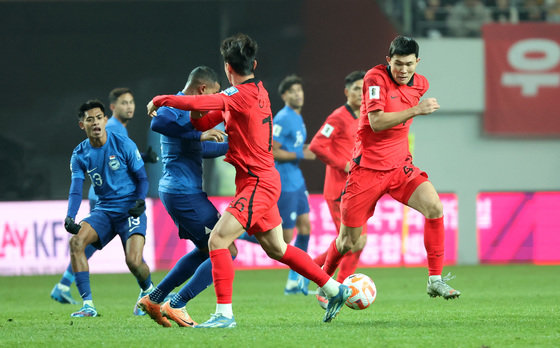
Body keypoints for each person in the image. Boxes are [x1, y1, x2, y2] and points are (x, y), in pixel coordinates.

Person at [147, 33, 351, 328]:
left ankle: (224, 315)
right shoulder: (259, 92)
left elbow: (210, 102)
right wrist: (198, 117)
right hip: (261, 181)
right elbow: (204, 118)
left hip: (257, 182)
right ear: (253, 64)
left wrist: (160, 99)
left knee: (218, 240)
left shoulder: (237, 95)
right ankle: (335, 289)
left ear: (228, 68)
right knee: (278, 248)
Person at [321, 36, 461, 300]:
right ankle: (324, 281)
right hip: (367, 172)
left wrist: (414, 110)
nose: (404, 70)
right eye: (398, 64)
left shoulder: (420, 84)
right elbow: (376, 122)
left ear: (417, 62)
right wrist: (416, 111)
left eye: (409, 64)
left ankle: (435, 279)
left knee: (434, 207)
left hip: (399, 168)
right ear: (388, 61)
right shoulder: (374, 79)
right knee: (348, 242)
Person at [137, 66, 238, 327]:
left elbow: (200, 149)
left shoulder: (189, 117)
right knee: (226, 248)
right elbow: (157, 121)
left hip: (182, 192)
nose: (210, 107)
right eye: (212, 96)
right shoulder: (174, 108)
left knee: (206, 250)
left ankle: (154, 298)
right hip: (183, 193)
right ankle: (177, 302)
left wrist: (234, 146)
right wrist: (198, 133)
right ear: (202, 89)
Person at [50, 88, 160, 316]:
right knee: (76, 243)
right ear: (83, 125)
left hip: (129, 210)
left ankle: (148, 292)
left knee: (134, 262)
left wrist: (140, 201)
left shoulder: (123, 144)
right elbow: (75, 188)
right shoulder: (80, 154)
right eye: (90, 119)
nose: (96, 123)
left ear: (105, 119)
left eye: (99, 118)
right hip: (104, 211)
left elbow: (142, 178)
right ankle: (88, 305)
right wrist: (70, 216)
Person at [308, 71, 368, 307]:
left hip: (359, 189)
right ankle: (337, 287)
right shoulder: (338, 117)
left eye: (364, 88)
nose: (360, 93)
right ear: (346, 92)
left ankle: (312, 269)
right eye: (355, 88)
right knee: (351, 241)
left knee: (356, 242)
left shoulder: (366, 116)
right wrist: (343, 164)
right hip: (338, 190)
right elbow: (316, 145)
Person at [271, 74, 317, 295]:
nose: (298, 94)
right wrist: (301, 153)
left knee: (306, 227)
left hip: (297, 180)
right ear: (284, 96)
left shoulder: (297, 117)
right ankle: (241, 234)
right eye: (292, 91)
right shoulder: (282, 118)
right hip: (285, 181)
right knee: (286, 237)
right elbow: (272, 150)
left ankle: (294, 279)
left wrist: (311, 149)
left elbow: (295, 146)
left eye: (300, 90)